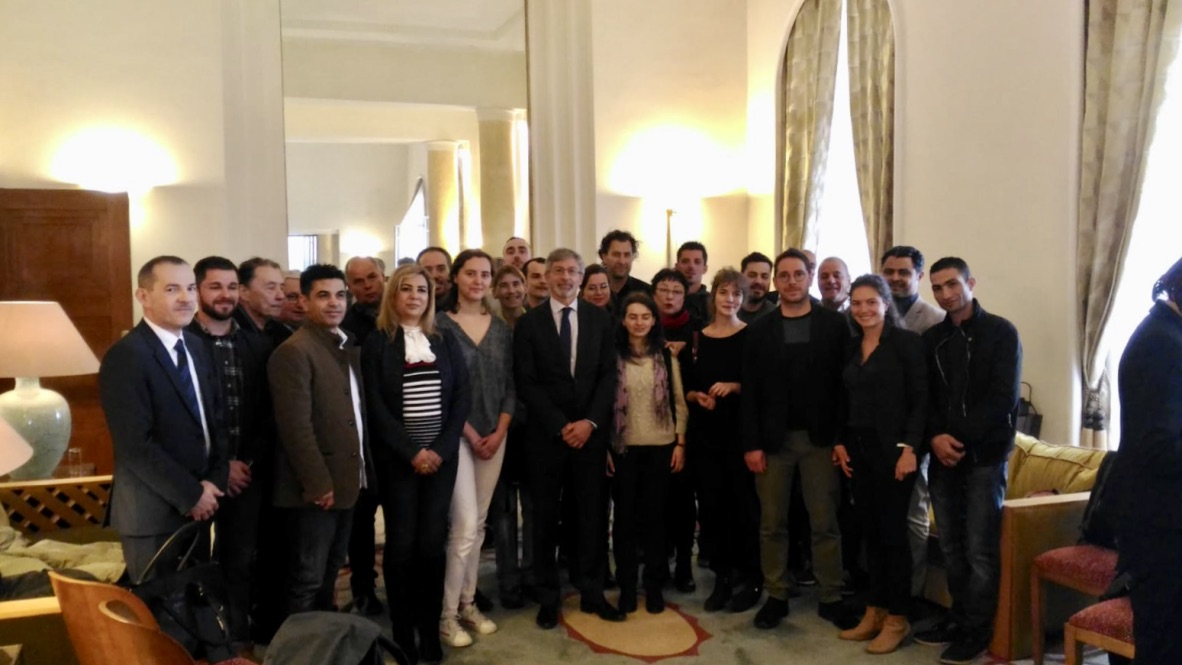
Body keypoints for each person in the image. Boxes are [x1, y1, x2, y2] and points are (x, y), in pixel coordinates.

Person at [741, 248, 857, 631]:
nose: (791, 282)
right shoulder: (759, 330)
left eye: (798, 274)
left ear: (809, 277)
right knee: (772, 522)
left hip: (820, 440)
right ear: (776, 282)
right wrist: (752, 444)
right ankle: (776, 593)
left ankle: (831, 595)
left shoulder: (834, 325)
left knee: (824, 521)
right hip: (773, 442)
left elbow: (844, 388)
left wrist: (840, 437)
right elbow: (751, 392)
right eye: (784, 275)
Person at [361, 264, 470, 664]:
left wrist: (439, 449)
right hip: (398, 461)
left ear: (430, 297)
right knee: (402, 544)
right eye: (406, 289)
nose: (414, 296)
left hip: (441, 459)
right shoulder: (377, 342)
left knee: (431, 544)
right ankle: (403, 631)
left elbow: (462, 396)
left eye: (422, 290)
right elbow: (375, 405)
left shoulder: (444, 338)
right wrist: (412, 452)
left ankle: (430, 628)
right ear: (393, 295)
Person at [914, 257, 1021, 664]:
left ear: (970, 283)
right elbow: (925, 399)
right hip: (942, 458)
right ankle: (958, 619)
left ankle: (978, 630)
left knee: (979, 549)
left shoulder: (1001, 332)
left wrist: (954, 438)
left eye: (952, 284)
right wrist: (934, 438)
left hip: (984, 459)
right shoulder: (932, 339)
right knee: (953, 547)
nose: (945, 294)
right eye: (937, 288)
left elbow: (1002, 399)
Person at [99, 256, 228, 583]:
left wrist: (214, 482)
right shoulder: (126, 355)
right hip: (152, 514)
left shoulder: (198, 347)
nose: (185, 298)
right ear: (143, 296)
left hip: (203, 505)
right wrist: (191, 495)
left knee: (196, 604)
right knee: (156, 609)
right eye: (172, 289)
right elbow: (135, 445)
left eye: (190, 288)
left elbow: (215, 422)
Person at [514, 248, 623, 628]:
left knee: (591, 517)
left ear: (581, 277)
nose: (565, 278)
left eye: (572, 271)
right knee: (545, 519)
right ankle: (548, 596)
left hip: (589, 437)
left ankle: (592, 591)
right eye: (557, 271)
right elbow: (526, 381)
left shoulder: (600, 319)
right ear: (546, 276)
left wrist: (589, 423)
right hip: (546, 437)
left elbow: (609, 376)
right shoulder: (529, 324)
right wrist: (561, 425)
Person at [268, 264, 375, 621]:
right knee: (307, 577)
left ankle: (323, 641)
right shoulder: (295, 351)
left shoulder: (343, 344)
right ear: (304, 300)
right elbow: (295, 427)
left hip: (346, 479)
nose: (334, 303)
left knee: (330, 572)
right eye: (323, 295)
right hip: (317, 488)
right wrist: (317, 482)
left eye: (340, 295)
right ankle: (297, 646)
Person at [832, 275, 927, 655]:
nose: (863, 309)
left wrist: (910, 449)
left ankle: (897, 619)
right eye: (856, 303)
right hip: (859, 451)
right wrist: (840, 441)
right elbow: (842, 399)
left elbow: (920, 401)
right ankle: (875, 611)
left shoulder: (907, 344)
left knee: (892, 536)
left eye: (871, 302)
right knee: (869, 534)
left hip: (895, 453)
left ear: (886, 303)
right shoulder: (852, 345)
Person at [186, 256, 275, 649]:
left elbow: (268, 412)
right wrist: (221, 468)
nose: (226, 295)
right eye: (215, 286)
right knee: (192, 564)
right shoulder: (183, 342)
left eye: (232, 286)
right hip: (197, 477)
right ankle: (199, 642)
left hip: (246, 475)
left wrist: (245, 463)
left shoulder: (257, 344)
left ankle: (237, 643)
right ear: (197, 291)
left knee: (240, 561)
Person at [436, 250, 515, 648]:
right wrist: (467, 431)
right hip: (457, 435)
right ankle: (446, 616)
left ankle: (468, 604)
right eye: (471, 273)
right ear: (456, 277)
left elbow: (511, 384)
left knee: (479, 524)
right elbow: (440, 386)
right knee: (464, 525)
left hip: (495, 434)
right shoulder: (439, 325)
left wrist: (500, 430)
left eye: (485, 275)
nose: (478, 281)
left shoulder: (500, 327)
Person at [1106, 257, 1182, 665]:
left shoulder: (1167, 333)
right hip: (1161, 523)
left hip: (1162, 516)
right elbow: (1157, 446)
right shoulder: (1162, 345)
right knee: (1163, 641)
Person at [685, 268, 762, 613]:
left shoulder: (752, 336)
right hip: (706, 436)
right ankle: (722, 578)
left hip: (741, 436)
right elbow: (687, 387)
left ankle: (752, 577)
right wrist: (697, 396)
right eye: (724, 292)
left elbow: (762, 387)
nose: (730, 299)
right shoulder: (698, 338)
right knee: (712, 508)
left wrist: (734, 386)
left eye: (736, 294)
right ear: (713, 295)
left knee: (744, 509)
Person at [609, 293, 688, 615]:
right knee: (624, 521)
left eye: (645, 316)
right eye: (633, 316)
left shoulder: (666, 355)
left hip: (661, 446)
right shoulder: (612, 355)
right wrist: (606, 448)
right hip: (623, 448)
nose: (639, 322)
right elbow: (604, 404)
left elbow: (679, 401)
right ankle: (627, 587)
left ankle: (654, 586)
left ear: (654, 320)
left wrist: (680, 443)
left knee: (656, 520)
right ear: (623, 320)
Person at [879, 245, 944, 604]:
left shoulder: (934, 321)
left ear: (918, 276)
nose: (895, 278)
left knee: (913, 515)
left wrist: (918, 440)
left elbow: (931, 388)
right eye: (889, 272)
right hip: (878, 433)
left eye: (903, 272)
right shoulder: (872, 314)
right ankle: (883, 590)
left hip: (915, 434)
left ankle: (912, 594)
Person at [339, 256, 387, 617]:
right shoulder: (345, 326)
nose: (367, 285)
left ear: (383, 276)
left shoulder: (401, 315)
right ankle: (364, 588)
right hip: (362, 437)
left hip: (401, 433)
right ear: (350, 286)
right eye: (358, 281)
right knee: (361, 520)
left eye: (372, 277)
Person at [651, 268, 701, 592]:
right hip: (649, 427)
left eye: (676, 292)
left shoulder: (697, 330)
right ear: (654, 293)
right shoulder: (641, 326)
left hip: (689, 427)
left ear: (685, 296)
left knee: (683, 500)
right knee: (654, 500)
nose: (670, 297)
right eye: (664, 291)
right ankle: (657, 562)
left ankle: (684, 564)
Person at [489, 263, 535, 609]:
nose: (511, 291)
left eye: (516, 284)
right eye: (503, 285)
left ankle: (532, 574)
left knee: (534, 510)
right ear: (494, 291)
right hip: (499, 426)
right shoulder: (489, 327)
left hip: (533, 428)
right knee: (503, 513)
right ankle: (508, 580)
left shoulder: (537, 322)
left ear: (525, 287)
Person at [234, 257, 292, 348]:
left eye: (281, 288)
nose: (281, 296)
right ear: (244, 292)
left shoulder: (282, 333)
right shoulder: (228, 333)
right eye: (271, 288)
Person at [598, 230, 650, 313]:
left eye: (627, 255)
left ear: (633, 257)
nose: (622, 261)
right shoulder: (593, 292)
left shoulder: (647, 292)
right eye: (616, 254)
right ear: (604, 257)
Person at [676, 241, 710, 322]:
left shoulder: (713, 303)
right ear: (677, 267)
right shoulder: (666, 300)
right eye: (685, 261)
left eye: (697, 262)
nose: (691, 266)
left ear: (705, 269)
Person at [740, 252, 777, 323]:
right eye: (752, 275)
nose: (758, 281)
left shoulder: (776, 316)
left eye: (764, 276)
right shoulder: (725, 311)